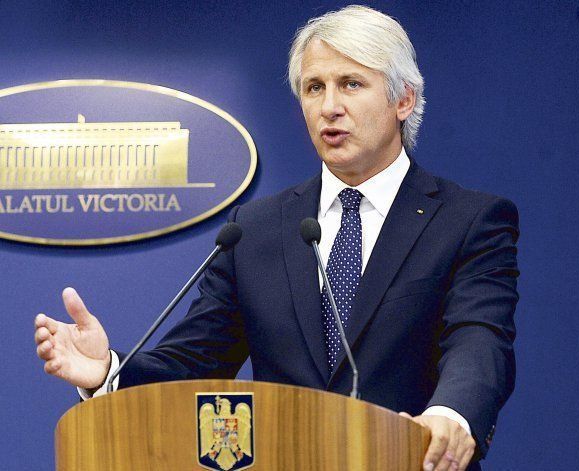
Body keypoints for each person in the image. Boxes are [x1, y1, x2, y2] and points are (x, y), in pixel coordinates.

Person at [34, 6, 519, 471]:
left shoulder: (468, 221)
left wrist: (451, 416)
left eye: (351, 84)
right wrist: (106, 371)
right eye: (314, 87)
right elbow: (195, 362)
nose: (330, 107)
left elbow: (478, 339)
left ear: (403, 100)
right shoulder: (256, 228)